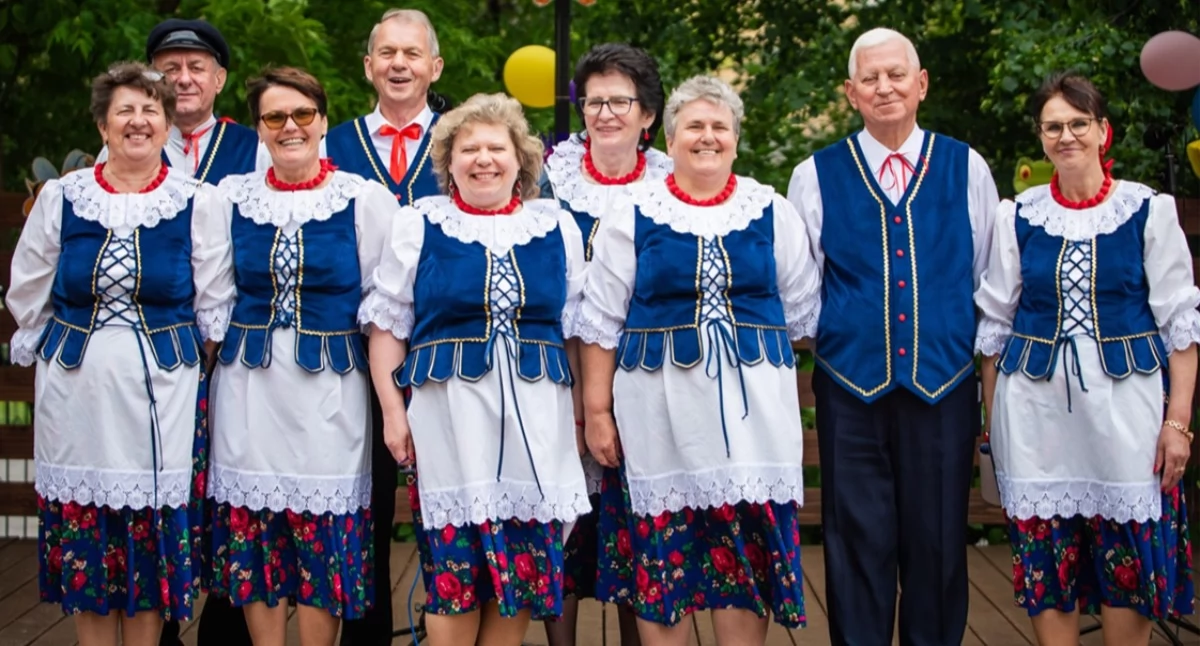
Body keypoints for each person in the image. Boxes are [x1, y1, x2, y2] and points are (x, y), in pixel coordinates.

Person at [577, 74, 820, 646]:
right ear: (670, 138)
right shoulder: (633, 213)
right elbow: (601, 321)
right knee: (666, 563)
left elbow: (802, 310)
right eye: (694, 126)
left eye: (719, 126)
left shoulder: (771, 210)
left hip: (752, 427)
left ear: (735, 139)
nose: (707, 136)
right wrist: (598, 412)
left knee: (743, 566)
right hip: (659, 419)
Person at [6, 61, 233, 646]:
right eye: (124, 110)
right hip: (77, 394)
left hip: (163, 394)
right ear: (102, 125)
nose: (138, 121)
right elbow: (28, 290)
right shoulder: (64, 197)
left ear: (167, 126)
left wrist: (181, 367)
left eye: (150, 110)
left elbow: (214, 304)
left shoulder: (196, 201)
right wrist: (66, 350)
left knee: (147, 543)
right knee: (91, 539)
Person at [785, 27, 999, 646]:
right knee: (856, 547)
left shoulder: (967, 167)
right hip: (850, 391)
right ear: (850, 92)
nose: (884, 87)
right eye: (870, 78)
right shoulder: (815, 174)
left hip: (943, 388)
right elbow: (802, 287)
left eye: (896, 74)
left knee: (939, 547)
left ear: (921, 83)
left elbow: (986, 278)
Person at [975, 71, 1196, 646]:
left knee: (1127, 553)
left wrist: (1177, 424)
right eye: (1053, 127)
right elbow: (995, 328)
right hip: (1035, 415)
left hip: (1126, 413)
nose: (1066, 136)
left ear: (1103, 130)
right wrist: (995, 425)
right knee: (1047, 556)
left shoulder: (1147, 210)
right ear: (1041, 137)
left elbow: (1180, 327)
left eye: (1078, 123)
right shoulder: (1017, 215)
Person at [361, 92, 590, 646]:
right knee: (455, 576)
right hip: (451, 421)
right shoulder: (419, 223)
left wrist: (585, 416)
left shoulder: (556, 227)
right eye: (469, 149)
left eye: (496, 148)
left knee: (521, 571)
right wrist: (392, 413)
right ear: (449, 162)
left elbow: (577, 332)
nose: (483, 159)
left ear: (520, 160)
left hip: (538, 423)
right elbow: (388, 326)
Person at [204, 67, 397, 646]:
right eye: (274, 116)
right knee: (256, 531)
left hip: (330, 391)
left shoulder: (364, 200)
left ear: (323, 120)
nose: (290, 126)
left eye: (303, 114)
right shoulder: (228, 198)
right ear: (260, 128)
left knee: (324, 534)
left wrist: (391, 403)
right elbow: (213, 299)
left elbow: (383, 307)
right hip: (248, 388)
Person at [539, 42, 671, 646]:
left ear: (647, 114)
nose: (606, 113)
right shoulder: (549, 178)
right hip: (561, 369)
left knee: (637, 525)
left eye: (621, 101)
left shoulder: (671, 183)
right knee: (563, 522)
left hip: (648, 371)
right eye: (595, 102)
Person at [323, 12, 445, 641]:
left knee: (452, 500)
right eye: (388, 53)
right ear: (369, 66)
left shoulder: (464, 140)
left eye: (412, 54)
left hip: (446, 349)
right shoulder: (331, 143)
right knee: (361, 500)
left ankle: (445, 622)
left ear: (434, 67)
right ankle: (366, 634)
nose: (400, 64)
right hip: (353, 351)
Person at [97, 19, 269, 182]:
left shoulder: (257, 149)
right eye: (172, 69)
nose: (185, 80)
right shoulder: (121, 149)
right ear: (154, 82)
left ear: (219, 79)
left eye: (196, 68)